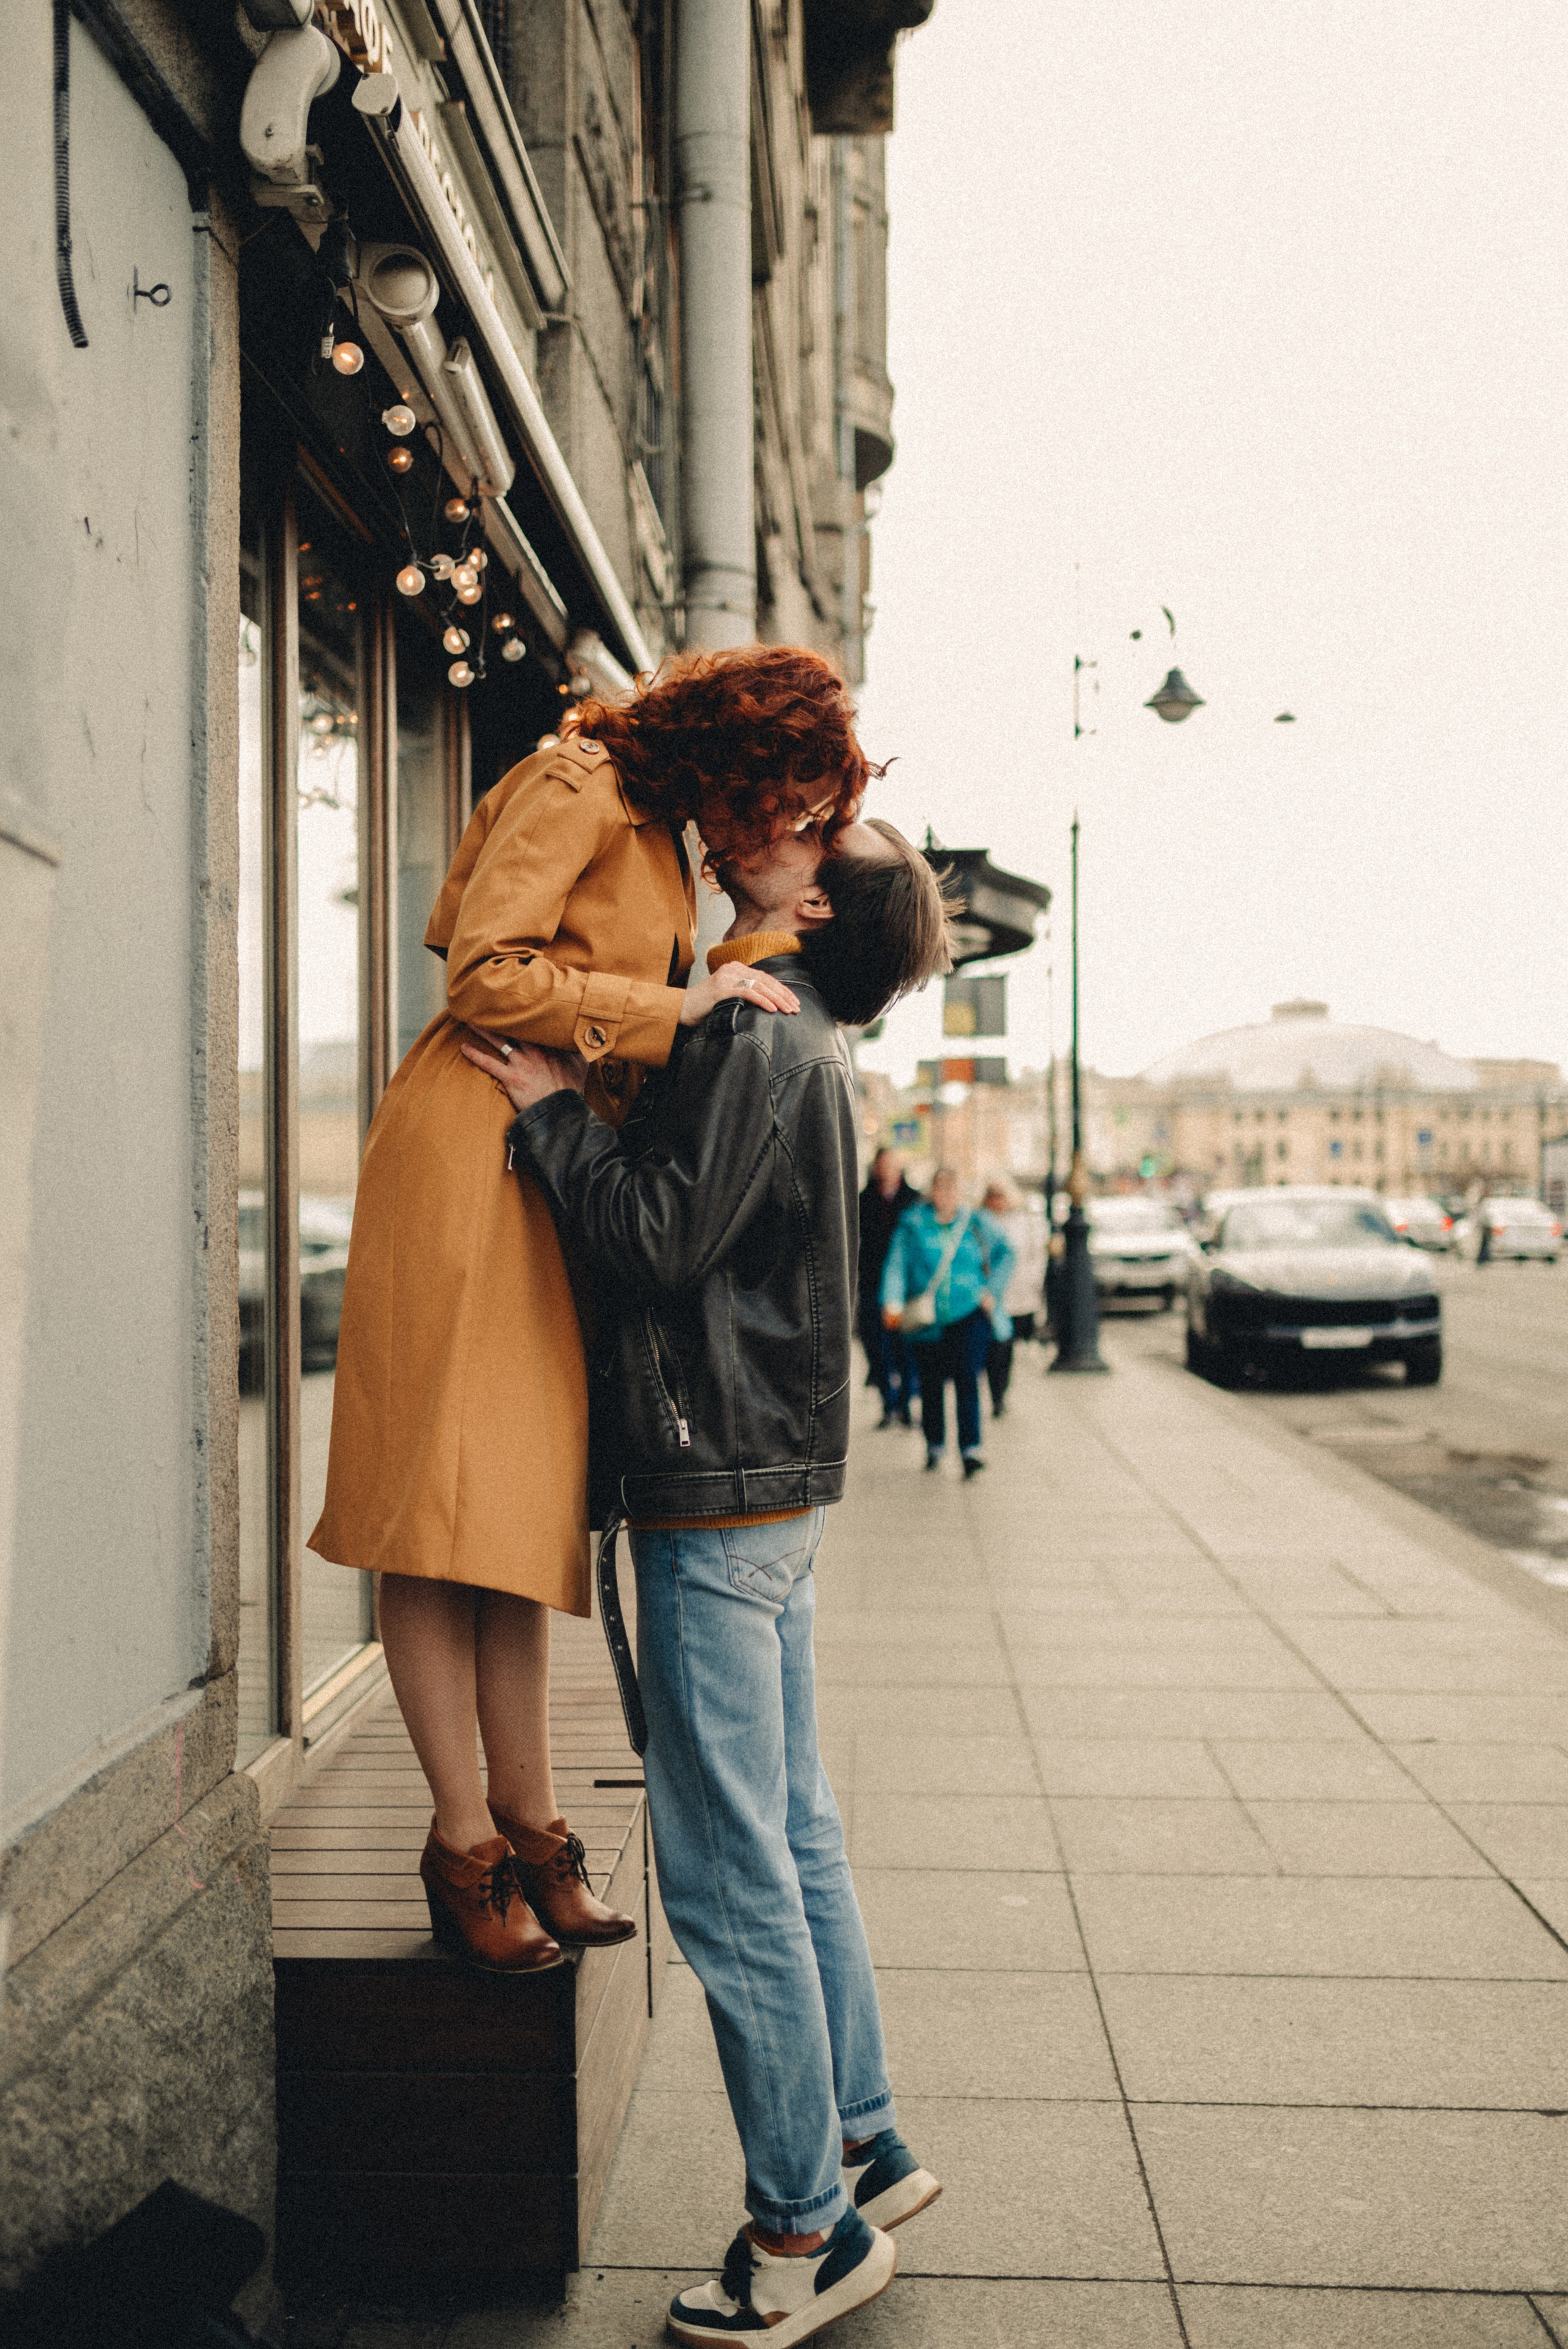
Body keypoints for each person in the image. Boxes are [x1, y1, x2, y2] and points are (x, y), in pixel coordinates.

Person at [462, 815, 953, 2348]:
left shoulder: (762, 1032)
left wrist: (552, 1116)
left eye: (821, 833)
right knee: (793, 1830)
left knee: (732, 1865)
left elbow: (658, 1242)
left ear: (812, 903)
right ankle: (867, 2136)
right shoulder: (774, 1017)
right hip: (770, 1480)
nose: (787, 825)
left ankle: (803, 2227)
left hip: (715, 1491)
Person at [308, 647, 870, 1972]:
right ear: (733, 757)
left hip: (547, 1159)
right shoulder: (577, 781)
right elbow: (482, 978)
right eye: (779, 798)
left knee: (510, 1516)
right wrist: (676, 1006)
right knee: (436, 1513)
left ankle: (535, 1817)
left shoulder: (661, 831)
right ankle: (465, 1844)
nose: (777, 830)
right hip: (471, 1149)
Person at [880, 1169, 1014, 1478]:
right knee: (931, 1383)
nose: (947, 1195)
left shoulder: (976, 1222)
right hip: (927, 1319)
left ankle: (971, 1448)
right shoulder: (913, 1225)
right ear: (932, 1191)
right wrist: (892, 1300)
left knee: (968, 1378)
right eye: (941, 1189)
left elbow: (1007, 1252)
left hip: (968, 1314)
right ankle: (935, 1444)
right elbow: (896, 1265)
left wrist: (991, 1291)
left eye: (953, 1189)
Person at [858, 1149, 922, 1426]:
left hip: (905, 1289)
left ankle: (907, 1402)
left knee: (905, 1346)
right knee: (876, 1346)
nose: (886, 1170)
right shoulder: (862, 1200)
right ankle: (888, 1403)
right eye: (882, 1165)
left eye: (891, 1165)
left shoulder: (913, 1200)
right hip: (872, 1283)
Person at [980, 1178, 1048, 1415]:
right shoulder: (980, 1222)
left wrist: (1033, 1281)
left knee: (1006, 1344)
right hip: (991, 1296)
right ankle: (997, 1394)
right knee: (997, 1344)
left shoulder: (1024, 1222)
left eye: (1001, 1195)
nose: (997, 1201)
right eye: (993, 1195)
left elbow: (1035, 1254)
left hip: (1018, 1294)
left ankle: (1001, 1391)